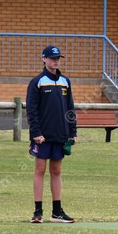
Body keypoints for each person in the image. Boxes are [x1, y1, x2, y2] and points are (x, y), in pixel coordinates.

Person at [26, 45, 77, 223]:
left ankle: (57, 212)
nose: (56, 61)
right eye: (52, 58)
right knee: (40, 169)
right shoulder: (37, 82)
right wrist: (36, 133)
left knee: (56, 170)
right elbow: (32, 110)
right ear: (44, 59)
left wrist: (72, 131)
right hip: (42, 136)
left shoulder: (65, 81)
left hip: (60, 134)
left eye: (58, 58)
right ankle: (37, 212)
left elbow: (70, 108)